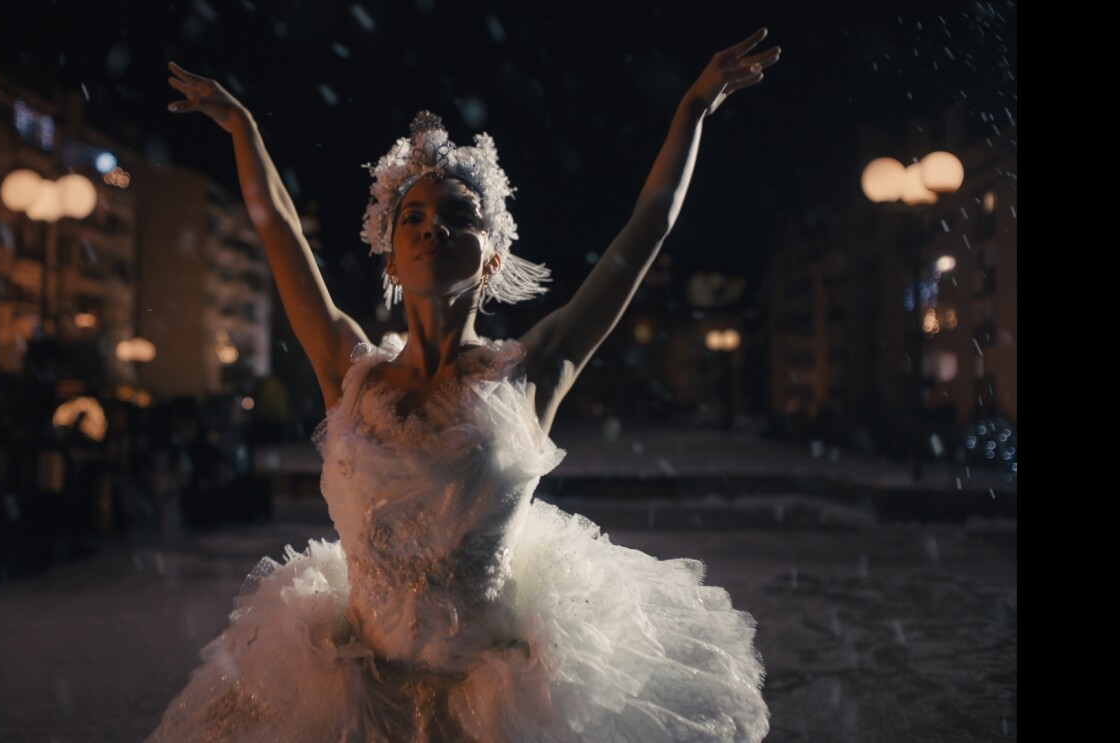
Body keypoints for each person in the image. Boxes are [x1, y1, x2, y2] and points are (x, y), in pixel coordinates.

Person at [152, 28, 780, 742]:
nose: (432, 230)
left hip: (495, 706)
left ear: (491, 255)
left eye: (459, 218)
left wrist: (691, 111)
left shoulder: (531, 369)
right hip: (351, 698)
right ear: (388, 253)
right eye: (412, 217)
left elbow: (645, 233)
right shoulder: (348, 369)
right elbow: (280, 233)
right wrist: (245, 128)